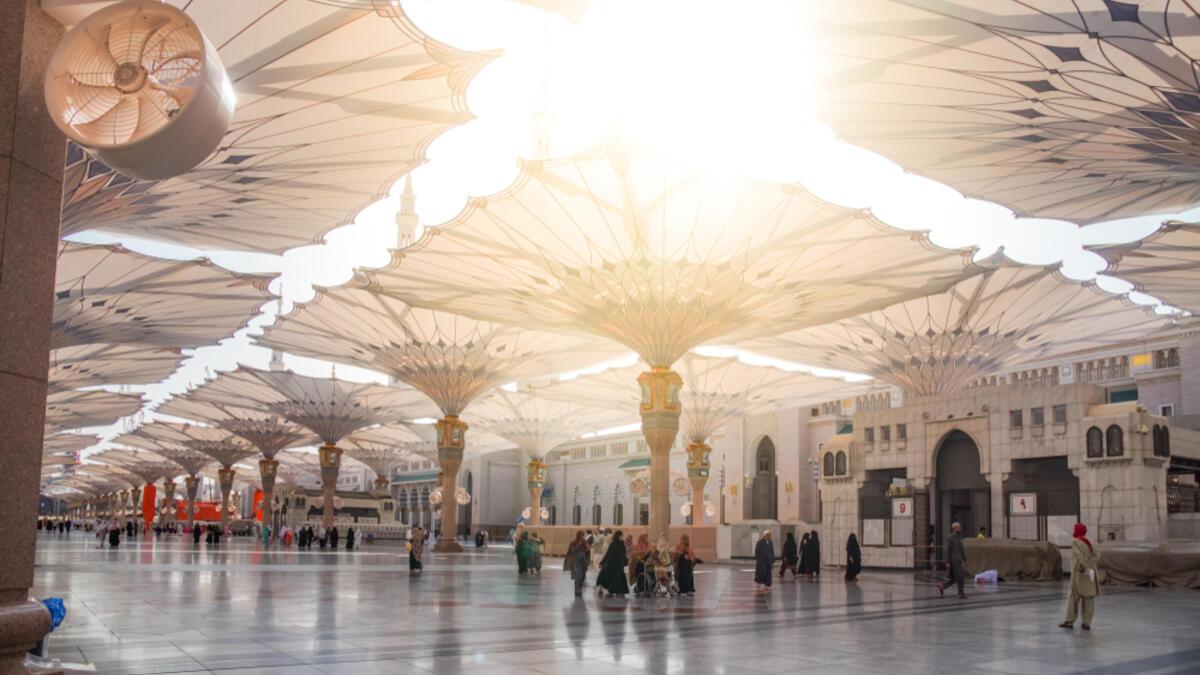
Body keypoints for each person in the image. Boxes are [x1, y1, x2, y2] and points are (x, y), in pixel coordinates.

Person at [1060, 523, 1100, 630]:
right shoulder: (1092, 541)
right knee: (1089, 598)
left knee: (1073, 597)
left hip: (1079, 573)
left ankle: (1069, 622)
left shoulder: (1075, 541)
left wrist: (1085, 567)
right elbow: (1097, 556)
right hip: (1091, 574)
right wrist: (1089, 567)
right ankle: (1086, 623)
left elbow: (1079, 556)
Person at [596, 529, 630, 597]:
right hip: (614, 565)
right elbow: (608, 555)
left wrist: (625, 564)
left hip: (617, 565)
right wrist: (602, 563)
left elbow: (623, 555)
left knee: (616, 578)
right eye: (621, 536)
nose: (622, 537)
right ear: (618, 536)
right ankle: (614, 592)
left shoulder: (620, 545)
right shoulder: (615, 545)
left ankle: (617, 592)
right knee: (614, 578)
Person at [938, 522, 967, 599]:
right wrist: (947, 562)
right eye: (959, 527)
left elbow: (962, 550)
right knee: (960, 576)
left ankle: (942, 586)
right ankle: (961, 594)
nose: (960, 528)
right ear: (954, 528)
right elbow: (947, 550)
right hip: (954, 561)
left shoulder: (959, 537)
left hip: (959, 560)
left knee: (954, 578)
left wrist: (964, 560)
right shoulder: (950, 538)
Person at [566, 530, 591, 596]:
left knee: (583, 575)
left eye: (583, 535)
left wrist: (588, 549)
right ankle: (577, 589)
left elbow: (587, 552)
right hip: (576, 561)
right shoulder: (573, 543)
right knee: (578, 574)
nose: (582, 537)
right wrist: (578, 545)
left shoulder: (585, 542)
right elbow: (572, 551)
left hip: (583, 561)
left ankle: (579, 588)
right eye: (581, 535)